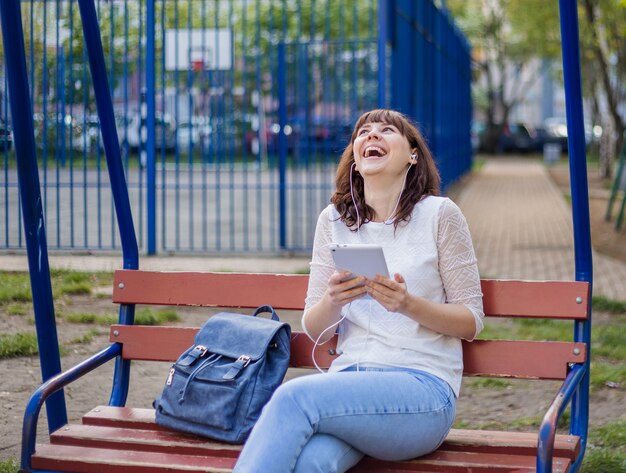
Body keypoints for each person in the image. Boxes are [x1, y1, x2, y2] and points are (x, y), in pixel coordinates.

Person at [233, 109, 484, 473]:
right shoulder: (334, 220)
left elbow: (472, 321)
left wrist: (407, 304)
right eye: (363, 132)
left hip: (421, 391)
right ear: (354, 155)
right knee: (311, 463)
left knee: (294, 397)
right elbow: (316, 328)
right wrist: (334, 300)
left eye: (386, 131)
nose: (372, 136)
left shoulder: (440, 215)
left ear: (413, 155)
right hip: (349, 383)